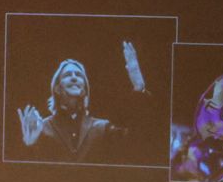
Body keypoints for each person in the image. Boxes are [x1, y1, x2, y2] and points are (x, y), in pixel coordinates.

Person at [14, 49, 145, 164]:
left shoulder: (102, 128)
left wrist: (139, 87)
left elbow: (138, 143)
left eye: (78, 75)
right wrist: (29, 145)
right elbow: (25, 175)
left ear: (84, 89)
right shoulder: (42, 129)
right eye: (67, 75)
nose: (74, 77)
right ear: (58, 89)